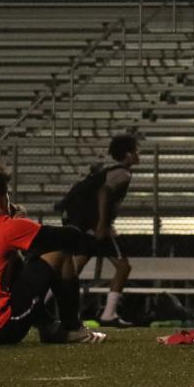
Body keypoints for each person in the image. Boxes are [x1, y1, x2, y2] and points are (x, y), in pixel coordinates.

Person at [0, 165, 103, 345]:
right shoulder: (7, 227)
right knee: (59, 251)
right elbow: (72, 236)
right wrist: (20, 224)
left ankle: (49, 326)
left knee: (16, 262)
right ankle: (72, 328)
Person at [63, 133, 141, 326]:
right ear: (128, 154)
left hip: (86, 224)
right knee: (123, 267)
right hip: (98, 226)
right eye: (136, 151)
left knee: (75, 267)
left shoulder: (110, 170)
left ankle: (41, 304)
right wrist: (102, 224)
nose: (139, 155)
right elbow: (104, 193)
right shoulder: (122, 173)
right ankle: (108, 314)